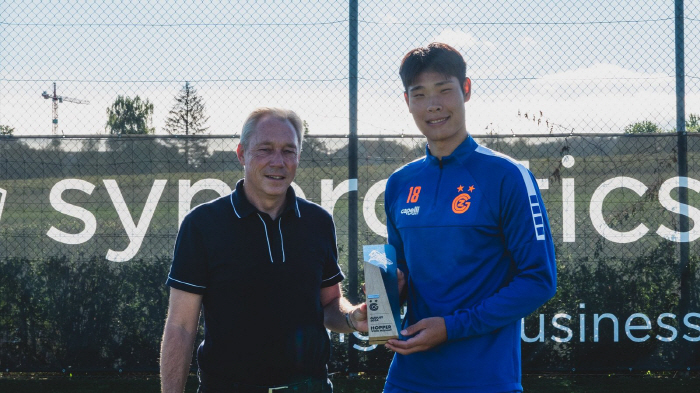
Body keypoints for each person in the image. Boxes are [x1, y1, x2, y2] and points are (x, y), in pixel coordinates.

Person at [382, 43, 557, 392]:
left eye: (444, 90)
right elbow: (399, 277)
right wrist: (378, 304)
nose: (433, 105)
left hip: (485, 380)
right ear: (407, 101)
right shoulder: (399, 183)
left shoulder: (506, 175)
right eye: (420, 94)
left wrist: (451, 327)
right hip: (407, 380)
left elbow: (539, 280)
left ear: (466, 90)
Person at [160, 107, 367, 393]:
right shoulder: (203, 224)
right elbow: (181, 326)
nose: (278, 161)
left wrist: (352, 317)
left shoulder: (318, 222)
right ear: (242, 154)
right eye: (265, 149)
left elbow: (329, 304)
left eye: (288, 151)